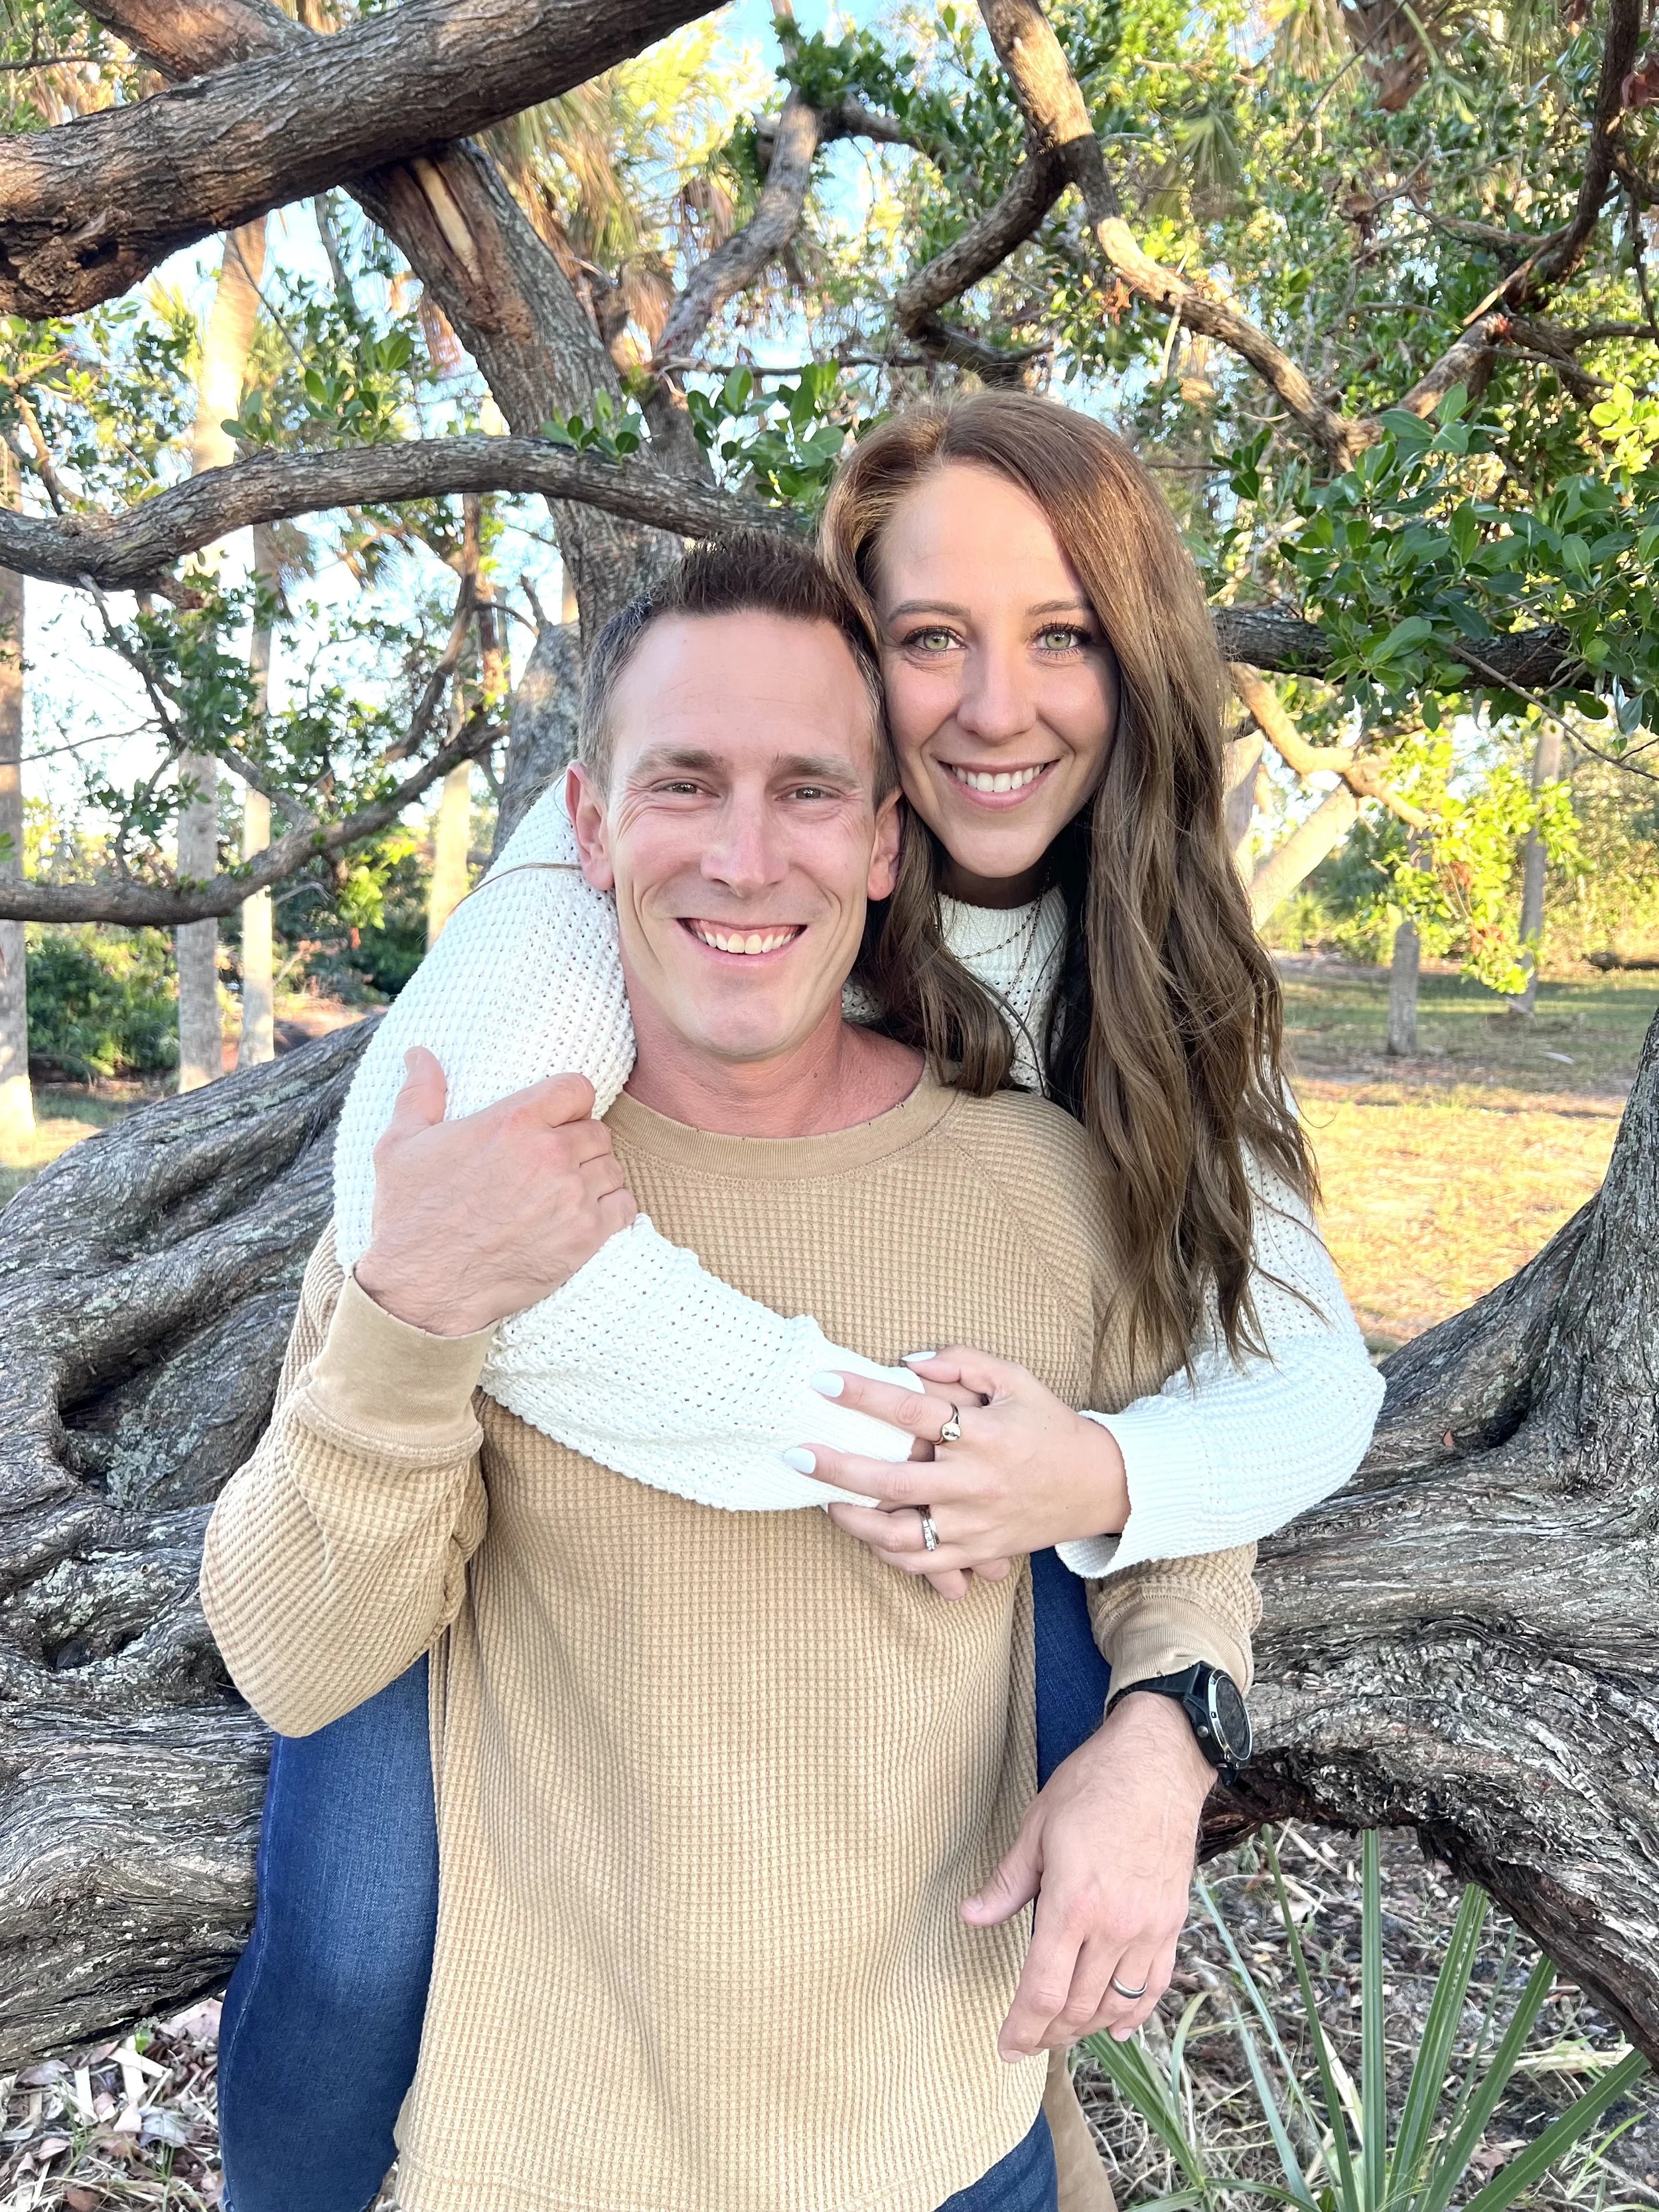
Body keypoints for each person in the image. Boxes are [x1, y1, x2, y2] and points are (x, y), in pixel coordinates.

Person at [212, 396, 1385, 2209]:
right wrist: (876, 1430)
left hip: (991, 1499)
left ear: (880, 837)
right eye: (931, 640)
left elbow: (1272, 1382)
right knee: (358, 1928)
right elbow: (418, 1208)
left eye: (1060, 635)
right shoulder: (583, 900)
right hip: (544, 1467)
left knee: (1030, 1777)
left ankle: (1018, 2109)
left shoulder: (1134, 987)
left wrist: (1116, 1583)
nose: (996, 707)